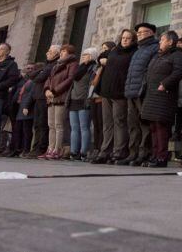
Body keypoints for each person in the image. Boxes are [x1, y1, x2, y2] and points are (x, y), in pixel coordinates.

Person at [142, 31, 182, 167]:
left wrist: (165, 83)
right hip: (152, 95)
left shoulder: (177, 55)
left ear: (170, 42)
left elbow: (179, 72)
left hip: (164, 95)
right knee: (153, 127)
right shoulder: (158, 56)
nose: (160, 42)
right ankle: (155, 155)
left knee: (162, 127)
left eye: (162, 40)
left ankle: (162, 157)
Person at [92, 31, 135, 164]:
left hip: (119, 93)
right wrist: (101, 59)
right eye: (123, 38)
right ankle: (105, 151)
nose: (125, 40)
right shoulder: (115, 50)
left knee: (119, 122)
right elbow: (102, 55)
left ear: (133, 40)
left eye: (128, 38)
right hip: (106, 92)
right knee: (107, 124)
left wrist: (108, 61)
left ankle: (119, 151)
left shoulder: (133, 52)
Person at [123, 22, 160, 166]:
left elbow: (150, 71)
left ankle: (143, 154)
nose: (139, 34)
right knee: (133, 125)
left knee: (144, 125)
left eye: (142, 32)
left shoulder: (154, 48)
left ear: (151, 33)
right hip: (131, 92)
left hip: (142, 92)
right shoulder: (138, 50)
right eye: (138, 33)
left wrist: (143, 88)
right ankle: (133, 153)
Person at [44, 45, 79, 160]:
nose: (61, 53)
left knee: (59, 125)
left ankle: (57, 149)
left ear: (70, 53)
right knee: (51, 125)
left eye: (64, 51)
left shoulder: (72, 64)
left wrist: (54, 91)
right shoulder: (56, 65)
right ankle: (50, 148)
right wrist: (47, 90)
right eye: (62, 51)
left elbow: (69, 79)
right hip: (51, 98)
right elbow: (49, 79)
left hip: (61, 97)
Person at [30, 44, 60, 157]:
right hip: (38, 97)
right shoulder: (45, 65)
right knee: (37, 124)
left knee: (43, 124)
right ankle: (35, 147)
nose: (47, 53)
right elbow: (32, 75)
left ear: (56, 54)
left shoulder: (53, 65)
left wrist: (40, 73)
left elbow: (39, 78)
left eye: (50, 51)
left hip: (44, 97)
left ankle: (41, 147)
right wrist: (39, 72)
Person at [68, 48, 98, 161]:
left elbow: (92, 85)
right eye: (83, 54)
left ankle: (84, 152)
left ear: (92, 56)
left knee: (84, 127)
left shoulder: (93, 68)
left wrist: (88, 99)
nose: (83, 56)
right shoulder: (79, 68)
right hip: (74, 99)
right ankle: (73, 151)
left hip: (84, 100)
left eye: (86, 54)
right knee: (74, 127)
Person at [9, 65, 37, 158]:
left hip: (26, 108)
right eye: (27, 68)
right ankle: (17, 149)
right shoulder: (23, 80)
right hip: (19, 107)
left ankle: (26, 149)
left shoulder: (33, 81)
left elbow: (31, 95)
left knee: (26, 130)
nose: (29, 70)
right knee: (17, 129)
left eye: (31, 69)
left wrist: (26, 106)